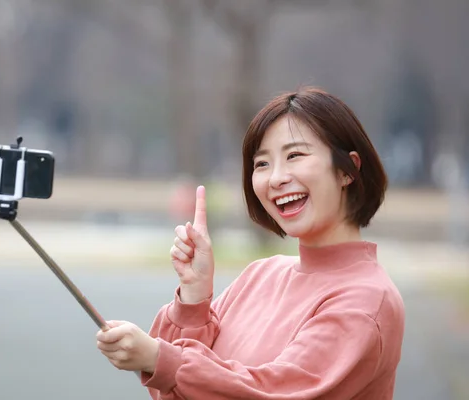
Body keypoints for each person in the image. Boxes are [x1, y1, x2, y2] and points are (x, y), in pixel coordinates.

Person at [95, 87, 406, 399]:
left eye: (294, 155)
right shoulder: (260, 276)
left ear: (347, 170)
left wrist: (159, 358)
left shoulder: (366, 301)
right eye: (262, 164)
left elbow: (273, 392)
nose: (276, 178)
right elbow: (179, 393)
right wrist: (193, 298)